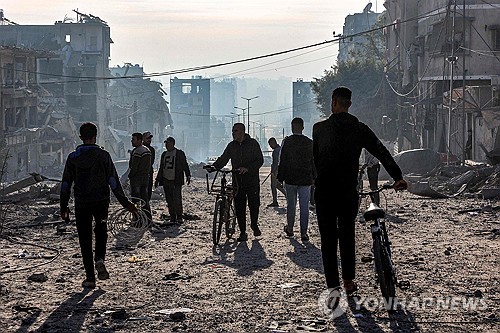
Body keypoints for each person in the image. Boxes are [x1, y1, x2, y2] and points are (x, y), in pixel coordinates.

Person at [312, 87, 407, 294]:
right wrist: (397, 176)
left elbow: (315, 162)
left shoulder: (319, 129)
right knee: (347, 236)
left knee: (328, 240)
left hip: (325, 192)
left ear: (333, 102)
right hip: (347, 192)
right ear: (350, 104)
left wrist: (316, 185)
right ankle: (348, 282)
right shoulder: (359, 128)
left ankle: (333, 287)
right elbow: (381, 151)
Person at [60, 122, 137, 289]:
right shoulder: (104, 156)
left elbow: (66, 184)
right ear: (96, 136)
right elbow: (113, 182)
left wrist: (63, 207)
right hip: (101, 201)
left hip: (82, 202)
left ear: (81, 137)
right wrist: (126, 203)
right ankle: (100, 259)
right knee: (101, 231)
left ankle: (90, 278)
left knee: (85, 238)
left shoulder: (73, 158)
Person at [212, 123, 264, 242]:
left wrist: (248, 168)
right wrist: (214, 167)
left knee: (254, 205)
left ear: (242, 131)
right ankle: (242, 232)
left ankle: (254, 225)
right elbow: (224, 158)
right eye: (232, 131)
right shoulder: (231, 146)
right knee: (239, 207)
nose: (233, 133)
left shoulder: (253, 144)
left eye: (235, 131)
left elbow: (259, 160)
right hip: (237, 181)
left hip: (251, 180)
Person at [277, 117, 316, 241]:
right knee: (304, 206)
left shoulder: (287, 142)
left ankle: (290, 229)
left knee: (291, 205)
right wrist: (315, 177)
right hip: (305, 179)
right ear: (303, 127)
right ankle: (304, 233)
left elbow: (282, 160)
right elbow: (314, 161)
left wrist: (280, 177)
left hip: (291, 179)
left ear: (292, 127)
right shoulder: (309, 142)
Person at [155, 136, 191, 224]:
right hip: (166, 180)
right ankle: (172, 216)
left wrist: (188, 175)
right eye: (166, 143)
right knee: (169, 200)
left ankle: (179, 216)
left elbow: (184, 165)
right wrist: (157, 180)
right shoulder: (164, 154)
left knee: (177, 199)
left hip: (176, 180)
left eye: (168, 143)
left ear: (173, 144)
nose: (167, 145)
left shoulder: (179, 153)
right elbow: (161, 168)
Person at [128, 132, 152, 219]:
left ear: (139, 140)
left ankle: (137, 219)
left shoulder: (137, 151)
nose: (132, 141)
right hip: (145, 178)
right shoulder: (147, 150)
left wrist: (130, 176)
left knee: (136, 200)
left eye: (133, 140)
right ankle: (147, 218)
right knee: (145, 200)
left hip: (137, 179)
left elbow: (134, 167)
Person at [267, 137, 286, 207]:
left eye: (270, 144)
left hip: (275, 171)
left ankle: (275, 201)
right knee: (278, 186)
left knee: (274, 186)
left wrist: (273, 171)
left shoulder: (276, 151)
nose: (270, 146)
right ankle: (287, 196)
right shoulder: (279, 149)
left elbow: (276, 162)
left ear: (272, 143)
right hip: (278, 170)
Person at [142, 131, 156, 201]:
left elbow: (151, 162)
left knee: (148, 193)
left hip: (149, 173)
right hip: (140, 175)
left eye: (150, 138)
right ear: (143, 139)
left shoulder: (152, 149)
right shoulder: (139, 149)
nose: (149, 140)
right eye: (147, 138)